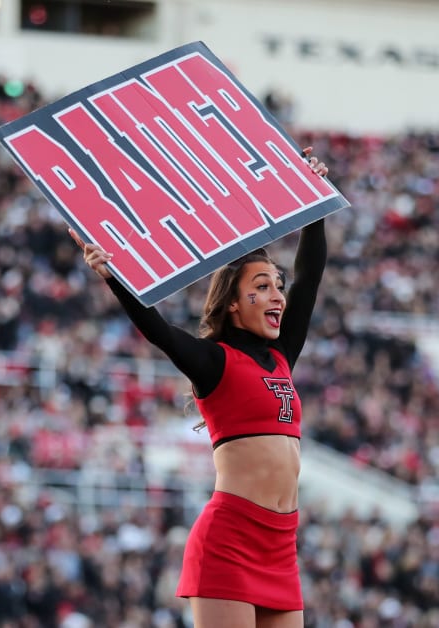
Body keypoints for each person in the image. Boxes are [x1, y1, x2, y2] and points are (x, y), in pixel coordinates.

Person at [70, 148, 331, 628]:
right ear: (234, 303)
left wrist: (314, 203)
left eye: (278, 285)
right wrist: (113, 276)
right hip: (230, 541)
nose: (278, 296)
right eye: (263, 287)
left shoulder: (281, 357)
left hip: (281, 544)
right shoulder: (214, 362)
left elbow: (310, 279)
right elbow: (160, 333)